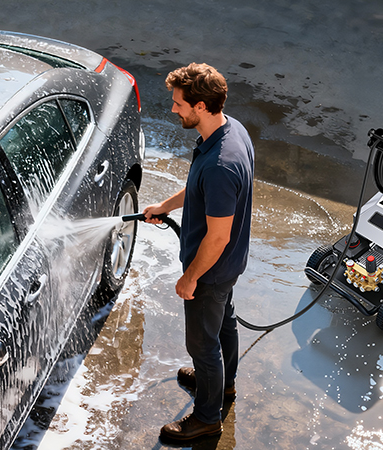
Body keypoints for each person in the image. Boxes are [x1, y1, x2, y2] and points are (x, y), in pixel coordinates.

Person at [143, 62, 254, 442]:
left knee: (202, 345)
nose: (173, 109)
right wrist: (165, 206)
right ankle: (223, 386)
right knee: (225, 323)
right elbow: (198, 189)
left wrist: (190, 277)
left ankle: (207, 418)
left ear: (202, 106)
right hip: (228, 266)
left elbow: (218, 236)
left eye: (179, 104)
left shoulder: (222, 165)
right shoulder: (230, 130)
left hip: (211, 269)